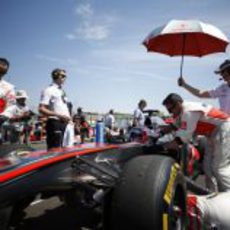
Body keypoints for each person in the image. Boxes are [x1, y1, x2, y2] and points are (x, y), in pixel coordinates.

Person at [161, 93, 230, 192]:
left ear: (178, 104)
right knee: (207, 166)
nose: (170, 112)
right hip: (212, 134)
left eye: (171, 109)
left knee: (218, 167)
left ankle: (228, 196)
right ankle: (211, 193)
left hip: (223, 129)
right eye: (168, 110)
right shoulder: (181, 112)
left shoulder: (188, 111)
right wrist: (159, 133)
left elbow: (182, 138)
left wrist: (164, 147)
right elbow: (173, 126)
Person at [38, 68, 74, 149]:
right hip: (55, 123)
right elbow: (41, 109)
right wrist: (59, 115)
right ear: (56, 76)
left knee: (67, 149)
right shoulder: (48, 90)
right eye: (63, 76)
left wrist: (70, 120)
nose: (65, 78)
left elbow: (63, 107)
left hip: (65, 123)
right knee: (55, 150)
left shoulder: (62, 91)